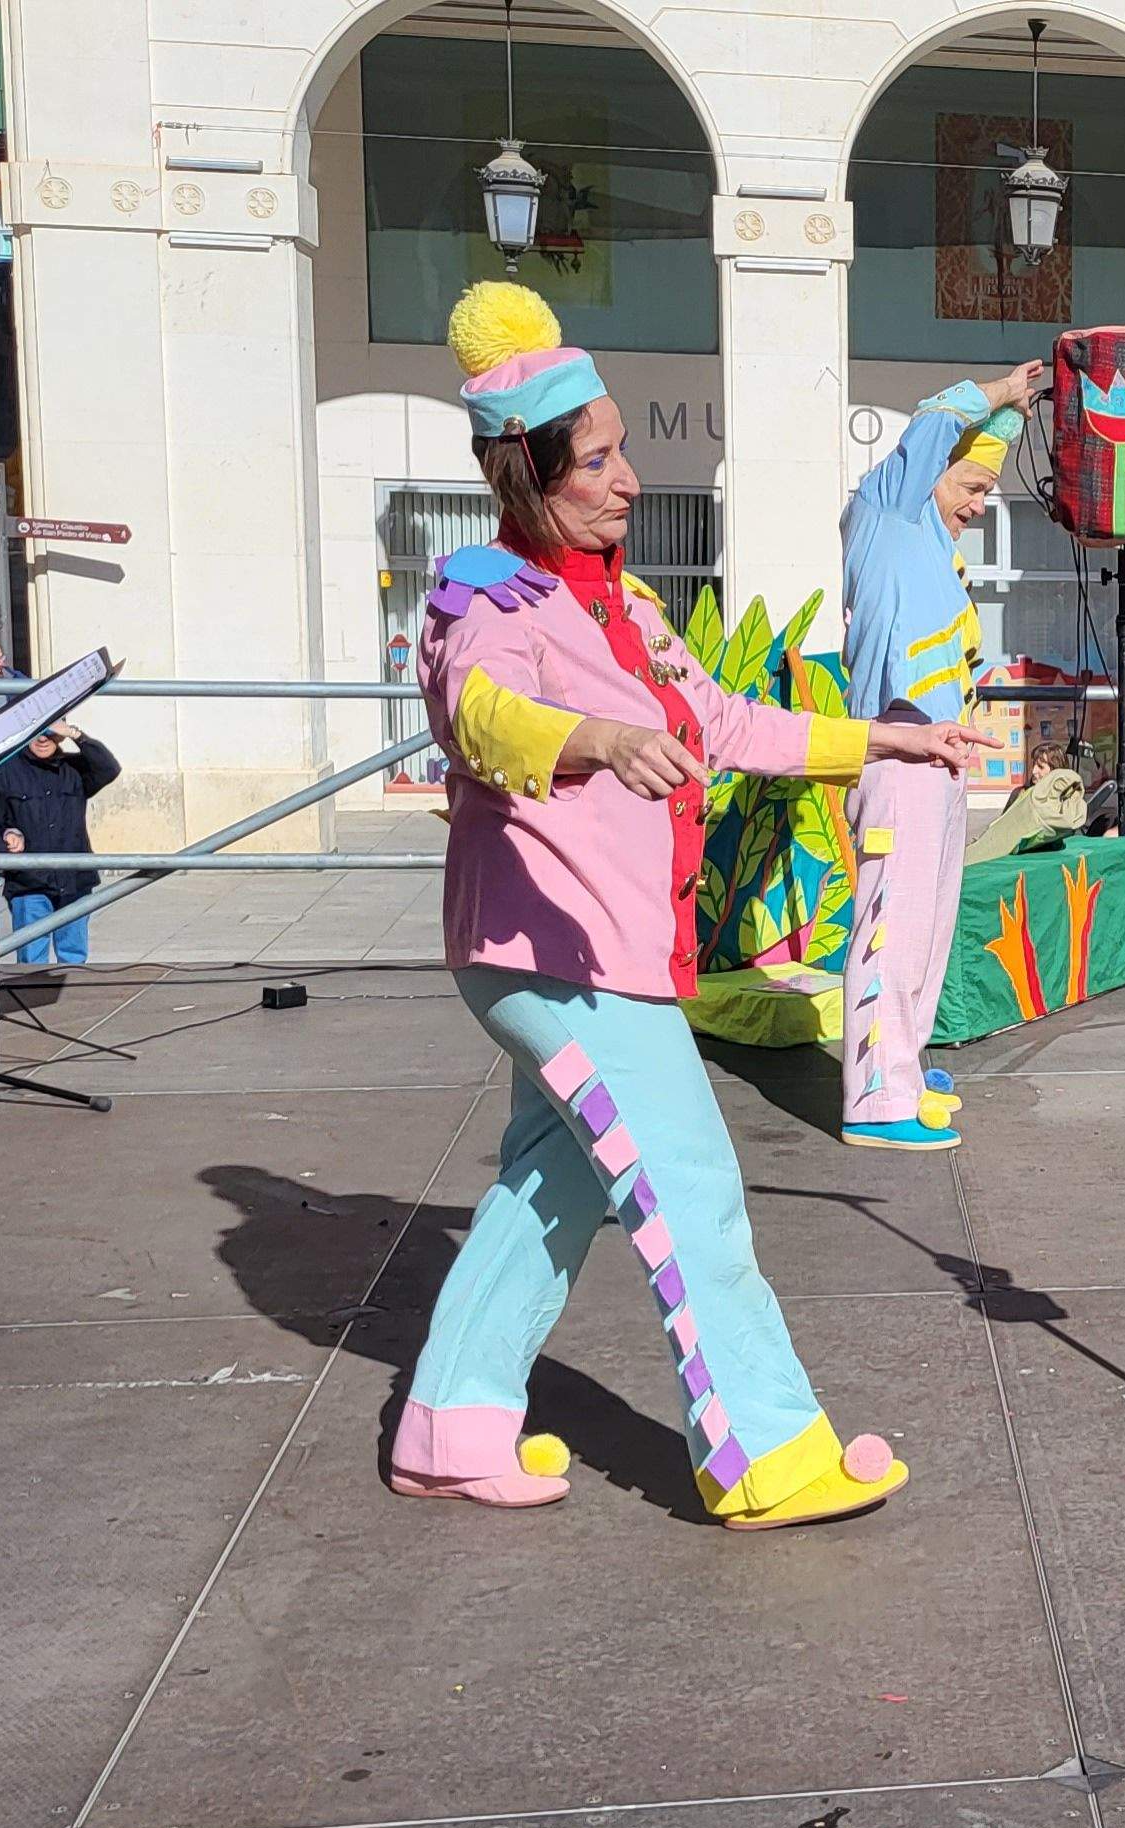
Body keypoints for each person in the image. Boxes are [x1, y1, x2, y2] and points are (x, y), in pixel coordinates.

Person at [390, 279, 990, 1524]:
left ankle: (452, 1424)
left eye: (622, 452)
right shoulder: (486, 597)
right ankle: (765, 1455)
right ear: (530, 474)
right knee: (693, 1184)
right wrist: (596, 741)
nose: (626, 479)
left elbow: (721, 721)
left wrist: (883, 739)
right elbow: (479, 718)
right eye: (597, 459)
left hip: (604, 947)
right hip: (556, 952)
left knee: (549, 1188)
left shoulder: (623, 604)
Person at [834, 351, 1044, 1150]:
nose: (981, 506)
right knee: (891, 927)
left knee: (926, 924)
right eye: (973, 489)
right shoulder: (886, 512)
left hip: (937, 763)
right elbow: (933, 418)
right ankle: (877, 1099)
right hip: (896, 757)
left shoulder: (932, 552)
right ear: (929, 476)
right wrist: (999, 393)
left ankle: (903, 1067)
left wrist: (1017, 419)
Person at [0, 719, 120, 964]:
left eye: (51, 733)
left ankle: (73, 1002)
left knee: (73, 957)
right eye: (37, 732)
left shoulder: (74, 769)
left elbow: (109, 768)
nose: (43, 739)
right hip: (29, 883)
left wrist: (77, 735)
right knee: (32, 960)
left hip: (74, 881)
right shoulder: (3, 773)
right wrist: (6, 839)